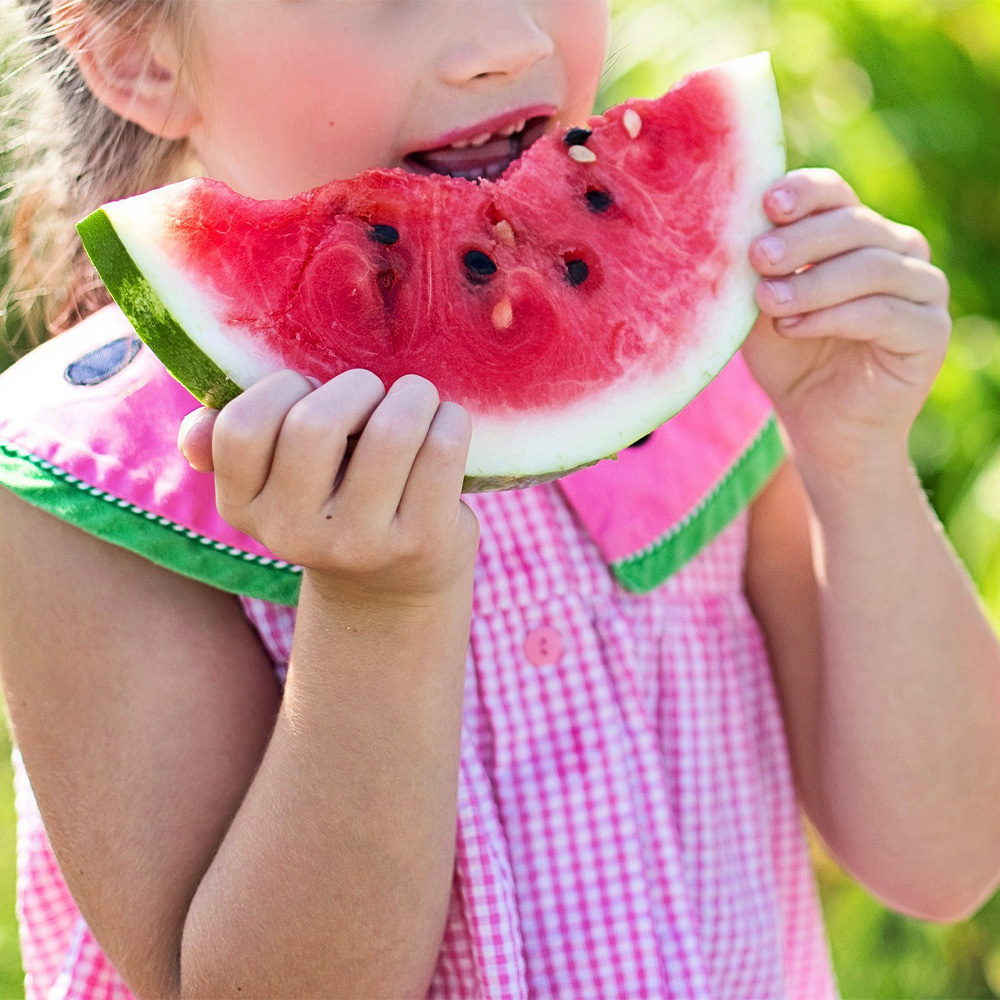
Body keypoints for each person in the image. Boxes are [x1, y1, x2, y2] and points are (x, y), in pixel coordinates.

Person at [0, 1, 997, 998]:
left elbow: (945, 856)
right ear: (134, 57)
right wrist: (378, 612)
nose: (509, 41)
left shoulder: (704, 367)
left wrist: (855, 458)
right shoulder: (97, 489)